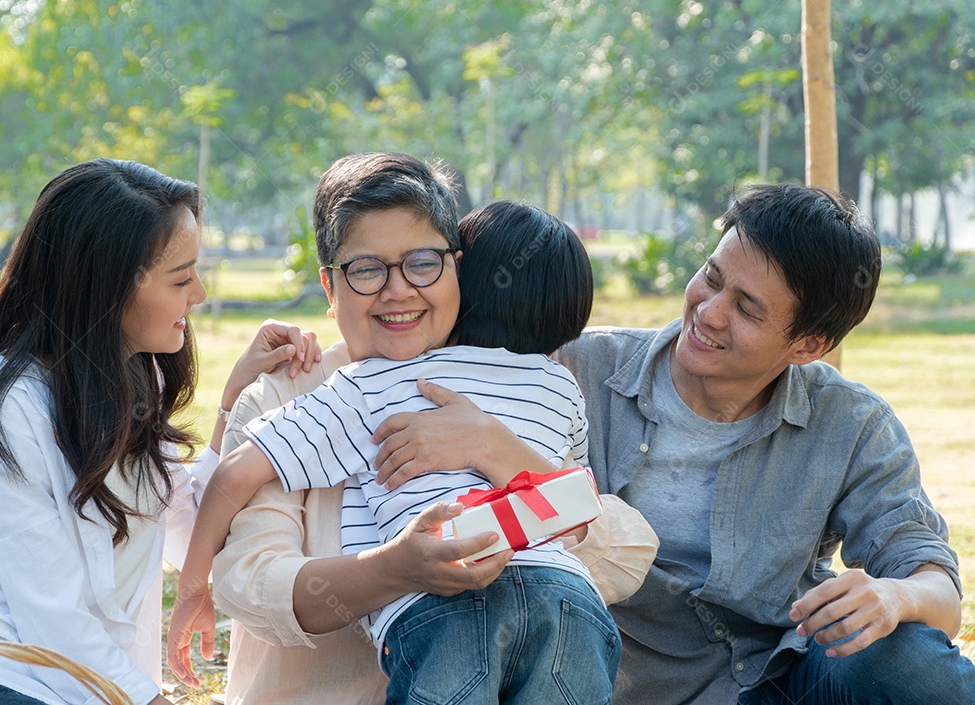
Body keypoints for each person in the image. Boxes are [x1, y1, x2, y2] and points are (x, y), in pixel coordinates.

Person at [377, 184, 975, 704]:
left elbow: (938, 587)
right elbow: (428, 360)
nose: (709, 312)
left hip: (781, 682)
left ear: (808, 345)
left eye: (746, 308)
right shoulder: (574, 371)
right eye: (712, 278)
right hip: (609, 686)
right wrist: (293, 355)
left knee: (908, 657)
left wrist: (894, 596)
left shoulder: (851, 423)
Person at [193, 152, 660, 704]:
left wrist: (492, 446)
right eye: (367, 270)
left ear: (455, 267)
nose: (398, 291)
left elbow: (627, 548)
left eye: (421, 263)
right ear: (329, 284)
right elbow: (253, 584)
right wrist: (396, 570)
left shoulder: (522, 383)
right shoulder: (288, 392)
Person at [0, 158, 320, 705]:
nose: (200, 294)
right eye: (182, 277)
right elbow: (51, 614)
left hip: (79, 691)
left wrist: (235, 399)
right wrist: (149, 700)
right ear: (111, 286)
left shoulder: (126, 390)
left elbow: (192, 536)